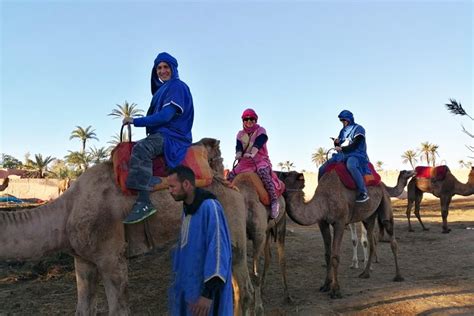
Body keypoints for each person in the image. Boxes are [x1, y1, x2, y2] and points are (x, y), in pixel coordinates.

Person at [122, 52, 194, 224]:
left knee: (142, 148)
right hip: (162, 134)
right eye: (159, 68)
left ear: (173, 69)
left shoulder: (177, 87)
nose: (162, 71)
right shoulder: (163, 91)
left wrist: (135, 121)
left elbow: (166, 116)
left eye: (166, 67)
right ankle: (147, 179)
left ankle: (144, 202)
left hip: (173, 136)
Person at [167, 165, 233, 316]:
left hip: (206, 297)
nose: (169, 191)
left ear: (186, 184)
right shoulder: (187, 210)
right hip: (190, 290)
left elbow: (218, 251)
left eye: (172, 186)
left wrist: (207, 295)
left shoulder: (210, 207)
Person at [227, 108, 281, 218]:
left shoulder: (261, 130)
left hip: (260, 160)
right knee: (230, 177)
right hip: (245, 162)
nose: (249, 121)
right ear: (243, 121)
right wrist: (238, 154)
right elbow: (238, 146)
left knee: (263, 173)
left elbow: (259, 142)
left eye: (251, 119)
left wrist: (252, 153)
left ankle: (274, 201)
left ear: (255, 120)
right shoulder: (240, 134)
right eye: (246, 119)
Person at [318, 110, 371, 203]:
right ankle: (320, 192)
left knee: (351, 165)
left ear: (349, 119)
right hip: (343, 154)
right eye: (341, 120)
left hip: (357, 154)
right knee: (322, 168)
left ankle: (363, 192)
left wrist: (342, 149)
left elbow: (356, 144)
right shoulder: (343, 131)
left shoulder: (359, 129)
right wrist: (336, 142)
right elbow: (339, 146)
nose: (343, 122)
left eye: (344, 120)